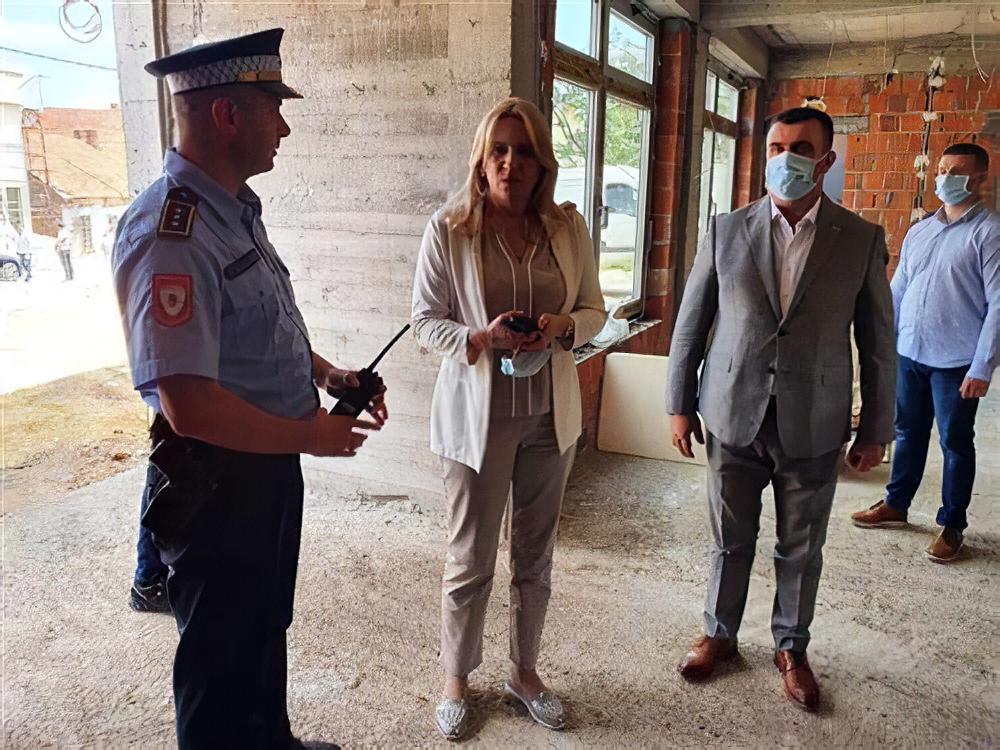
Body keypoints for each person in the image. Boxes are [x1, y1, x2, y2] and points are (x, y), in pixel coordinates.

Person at [112, 28, 383, 748]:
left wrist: (326, 375)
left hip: (263, 468)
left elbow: (252, 328)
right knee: (220, 654)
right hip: (216, 484)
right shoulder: (170, 233)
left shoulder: (232, 210)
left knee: (263, 623)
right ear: (228, 114)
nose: (284, 127)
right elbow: (190, 405)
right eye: (274, 108)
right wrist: (312, 435)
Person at [666, 107, 896, 712]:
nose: (785, 158)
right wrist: (678, 404)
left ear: (826, 160)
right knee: (728, 538)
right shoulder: (726, 230)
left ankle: (791, 648)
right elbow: (691, 324)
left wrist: (876, 428)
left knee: (801, 545)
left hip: (814, 418)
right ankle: (719, 634)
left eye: (800, 148)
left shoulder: (860, 239)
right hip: (731, 412)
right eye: (775, 147)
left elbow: (878, 342)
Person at [411, 97, 605, 740]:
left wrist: (564, 326)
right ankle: (456, 677)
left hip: (550, 417)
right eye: (499, 149)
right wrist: (479, 336)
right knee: (470, 557)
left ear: (542, 163)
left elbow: (596, 310)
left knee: (534, 556)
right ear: (481, 157)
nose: (510, 163)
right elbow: (424, 321)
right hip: (479, 419)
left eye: (524, 152)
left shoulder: (568, 229)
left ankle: (525, 673)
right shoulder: (449, 228)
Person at [851, 143, 998, 562]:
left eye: (956, 171)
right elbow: (899, 288)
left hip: (956, 362)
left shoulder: (989, 233)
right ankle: (896, 504)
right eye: (942, 169)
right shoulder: (921, 230)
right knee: (907, 432)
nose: (945, 177)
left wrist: (983, 365)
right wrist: (883, 341)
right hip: (910, 352)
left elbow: (999, 304)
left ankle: (952, 525)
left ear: (979, 179)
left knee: (955, 442)